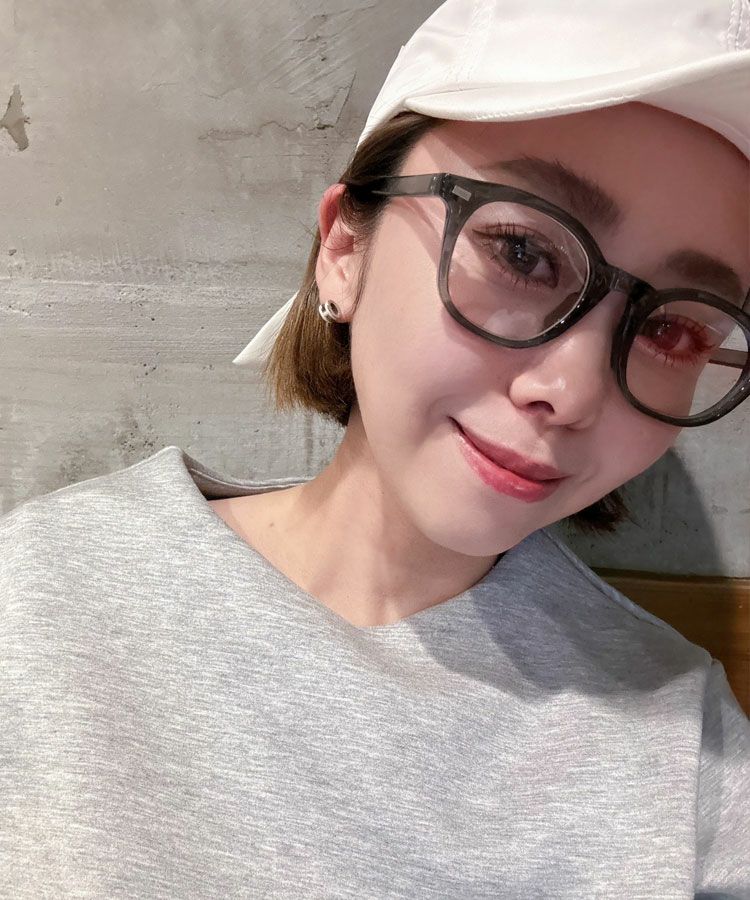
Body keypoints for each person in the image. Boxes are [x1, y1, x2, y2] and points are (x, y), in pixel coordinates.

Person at [1, 1, 748, 897]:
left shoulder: (686, 749)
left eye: (674, 330)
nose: (576, 390)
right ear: (345, 248)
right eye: (521, 252)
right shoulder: (42, 595)